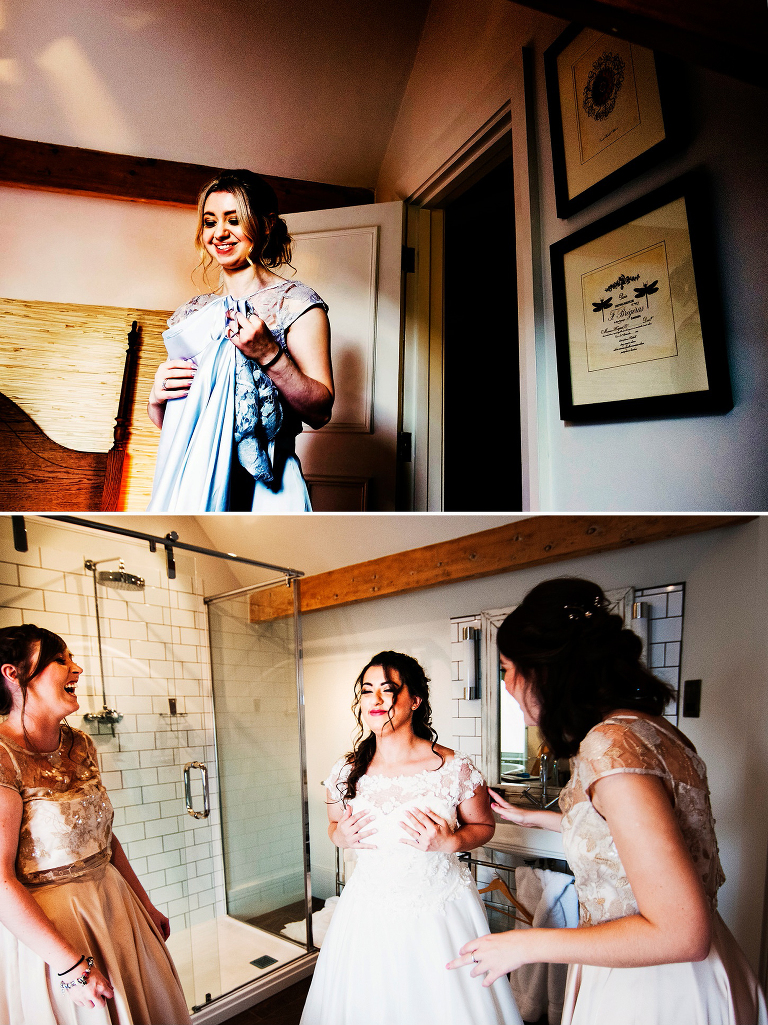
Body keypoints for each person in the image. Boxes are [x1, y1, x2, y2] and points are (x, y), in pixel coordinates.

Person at [448, 578, 768, 1025]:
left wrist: (525, 943)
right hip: (701, 971)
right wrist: (540, 819)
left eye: (505, 668)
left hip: (655, 987)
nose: (505, 685)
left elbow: (681, 933)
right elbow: (632, 836)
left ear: (540, 671)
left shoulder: (609, 744)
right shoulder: (654, 729)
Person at [300, 651, 523, 1025]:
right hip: (368, 910)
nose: (374, 700)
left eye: (387, 690)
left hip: (439, 911)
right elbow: (333, 828)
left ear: (414, 700)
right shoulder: (345, 771)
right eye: (366, 691)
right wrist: (340, 836)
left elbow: (484, 827)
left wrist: (451, 842)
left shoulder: (454, 768)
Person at [0, 624, 191, 1025]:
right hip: (55, 925)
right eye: (61, 660)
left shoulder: (81, 744)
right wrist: (70, 967)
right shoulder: (4, 757)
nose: (77, 668)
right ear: (13, 674)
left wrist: (144, 902)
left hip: (115, 904)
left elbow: (103, 836)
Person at [147, 168, 334, 511]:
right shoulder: (191, 314)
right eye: (210, 221)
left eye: (233, 220)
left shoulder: (296, 305)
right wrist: (158, 398)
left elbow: (320, 412)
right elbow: (180, 422)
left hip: (266, 485)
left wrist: (269, 354)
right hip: (198, 476)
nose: (219, 233)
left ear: (264, 224)